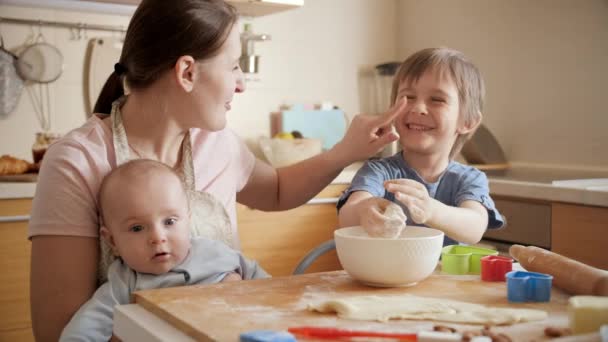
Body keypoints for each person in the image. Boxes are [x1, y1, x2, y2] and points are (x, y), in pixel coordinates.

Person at [28, 0, 404, 340]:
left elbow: (275, 190)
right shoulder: (77, 161)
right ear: (187, 72)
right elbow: (57, 331)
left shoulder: (217, 143)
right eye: (234, 65)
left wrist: (346, 151)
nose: (240, 84)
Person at [60, 159, 268, 341]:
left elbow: (269, 286)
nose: (157, 237)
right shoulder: (124, 282)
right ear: (112, 241)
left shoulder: (215, 253)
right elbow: (87, 326)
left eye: (169, 221)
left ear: (188, 221)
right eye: (137, 228)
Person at [338, 47, 504, 245]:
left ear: (467, 122)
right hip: (385, 275)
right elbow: (347, 215)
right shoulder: (379, 171)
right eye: (408, 97)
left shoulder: (469, 179)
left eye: (437, 99)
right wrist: (364, 210)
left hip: (445, 277)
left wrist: (431, 210)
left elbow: (475, 227)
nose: (418, 108)